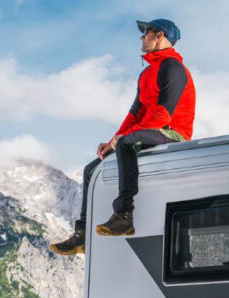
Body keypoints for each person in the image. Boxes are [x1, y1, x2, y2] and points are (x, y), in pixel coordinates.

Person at [50, 18, 196, 255]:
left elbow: (163, 113)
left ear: (158, 36)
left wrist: (126, 138)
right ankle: (83, 235)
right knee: (91, 169)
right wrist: (112, 141)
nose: (141, 38)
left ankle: (124, 215)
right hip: (147, 132)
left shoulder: (173, 67)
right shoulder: (147, 73)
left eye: (145, 33)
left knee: (127, 143)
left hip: (172, 133)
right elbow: (134, 114)